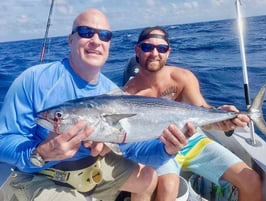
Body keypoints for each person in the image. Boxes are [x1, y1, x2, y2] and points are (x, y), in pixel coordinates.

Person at [0, 10, 195, 201]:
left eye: (104, 35)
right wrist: (41, 153)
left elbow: (135, 150)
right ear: (70, 40)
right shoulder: (34, 80)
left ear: (108, 44)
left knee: (148, 178)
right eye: (86, 32)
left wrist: (167, 149)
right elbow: (3, 140)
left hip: (90, 167)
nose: (95, 40)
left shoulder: (112, 93)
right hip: (40, 174)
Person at [123, 26, 264, 201]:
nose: (154, 53)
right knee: (168, 188)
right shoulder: (128, 95)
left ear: (168, 52)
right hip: (160, 146)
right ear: (137, 50)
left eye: (161, 48)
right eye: (147, 47)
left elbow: (203, 111)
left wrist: (223, 117)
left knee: (251, 180)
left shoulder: (182, 77)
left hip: (193, 141)